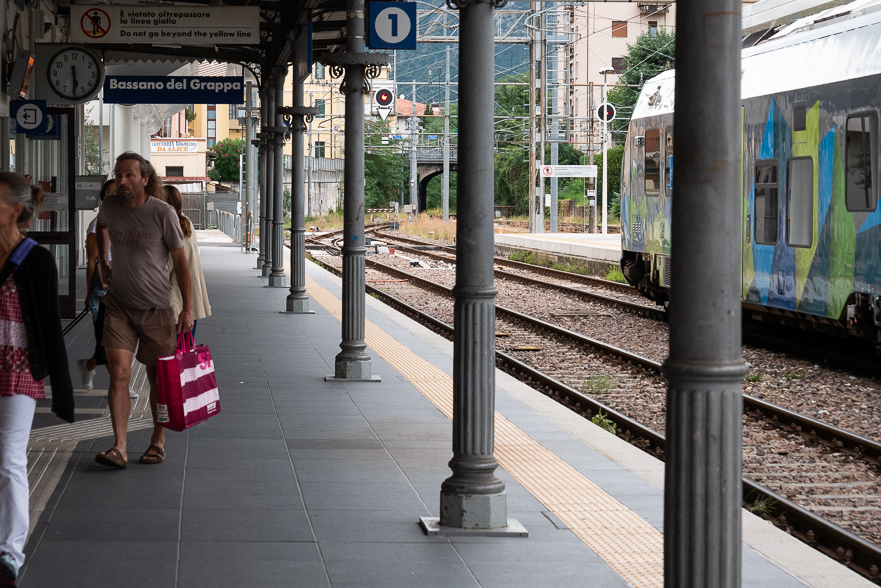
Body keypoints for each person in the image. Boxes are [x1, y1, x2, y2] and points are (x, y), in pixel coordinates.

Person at [94, 152, 193, 469]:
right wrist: (104, 261)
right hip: (119, 306)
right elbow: (101, 227)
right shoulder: (110, 206)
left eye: (129, 176)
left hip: (157, 309)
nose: (122, 181)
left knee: (157, 379)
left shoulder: (163, 213)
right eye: (118, 175)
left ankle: (157, 441)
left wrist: (187, 309)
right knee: (119, 374)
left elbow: (180, 263)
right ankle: (119, 447)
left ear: (145, 179)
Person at [0, 172, 74, 587]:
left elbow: (49, 327)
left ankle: (8, 553)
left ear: (15, 209)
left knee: (9, 457)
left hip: (19, 370)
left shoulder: (37, 259)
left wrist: (63, 392)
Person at [76, 180, 114, 390]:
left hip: (126, 286)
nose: (113, 194)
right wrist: (90, 292)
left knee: (114, 338)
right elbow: (92, 261)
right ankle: (121, 381)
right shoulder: (95, 224)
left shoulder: (129, 220)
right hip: (104, 289)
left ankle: (89, 365)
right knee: (106, 338)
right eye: (108, 192)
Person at [164, 186, 211, 339]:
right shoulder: (186, 222)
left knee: (173, 355)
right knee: (185, 352)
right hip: (191, 297)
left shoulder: (172, 227)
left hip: (177, 300)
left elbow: (166, 266)